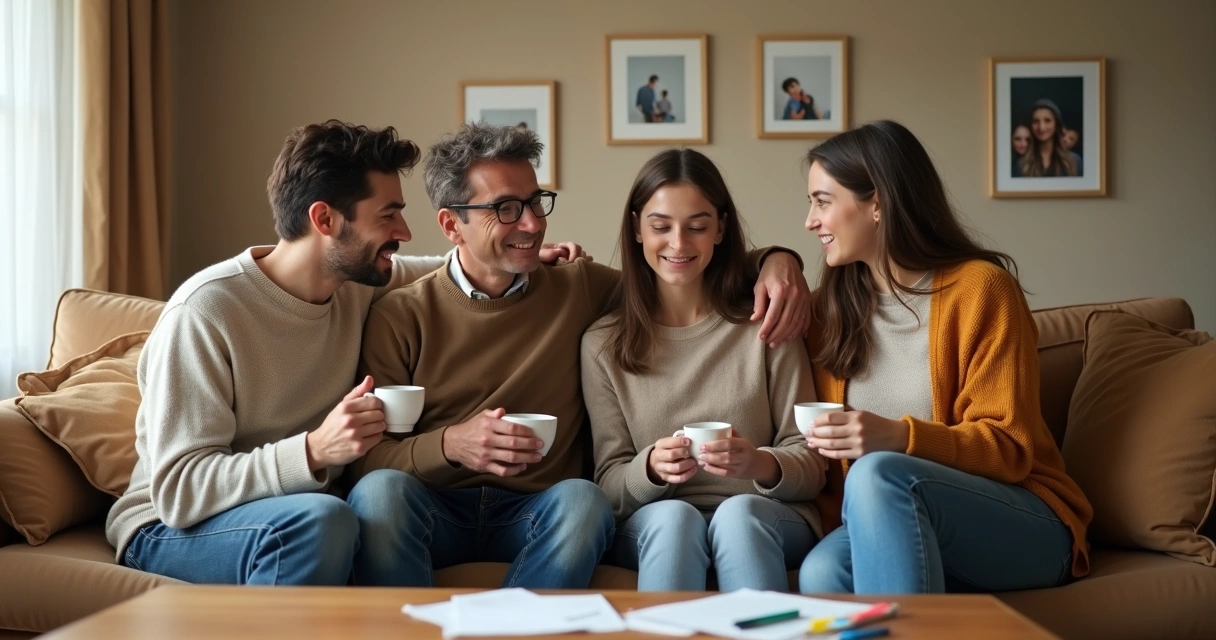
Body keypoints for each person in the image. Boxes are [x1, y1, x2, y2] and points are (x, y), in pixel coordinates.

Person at [105, 120, 582, 586]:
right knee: (324, 520)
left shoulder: (355, 283)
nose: (404, 232)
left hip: (298, 512)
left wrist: (515, 252)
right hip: (172, 527)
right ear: (325, 220)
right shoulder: (206, 311)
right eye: (388, 215)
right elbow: (179, 491)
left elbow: (451, 270)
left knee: (330, 517)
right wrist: (313, 450)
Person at [347, 122, 812, 589]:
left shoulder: (579, 286)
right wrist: (450, 444)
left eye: (535, 202)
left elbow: (676, 272)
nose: (533, 224)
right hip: (435, 506)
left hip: (538, 510)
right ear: (452, 225)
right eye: (506, 209)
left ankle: (521, 620)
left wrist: (777, 260)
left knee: (582, 500)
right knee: (379, 492)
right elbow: (367, 461)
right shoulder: (400, 316)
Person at [795, 120, 1093, 595]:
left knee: (876, 471)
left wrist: (899, 437)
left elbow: (1009, 448)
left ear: (877, 203)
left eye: (822, 202)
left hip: (1021, 515)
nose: (810, 221)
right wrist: (775, 261)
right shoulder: (825, 313)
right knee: (822, 572)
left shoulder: (982, 290)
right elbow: (719, 277)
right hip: (894, 519)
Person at [582, 149, 827, 592]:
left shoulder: (765, 323)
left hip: (764, 515)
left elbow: (811, 461)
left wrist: (759, 462)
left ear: (721, 229)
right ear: (637, 228)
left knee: (738, 517)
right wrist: (650, 468)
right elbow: (609, 483)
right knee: (675, 521)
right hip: (657, 522)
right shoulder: (603, 344)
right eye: (661, 227)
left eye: (697, 226)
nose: (679, 244)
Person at [1015, 99, 1082, 177]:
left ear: (1056, 124)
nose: (1041, 127)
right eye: (1036, 121)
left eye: (1047, 120)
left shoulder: (1074, 161)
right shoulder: (1022, 164)